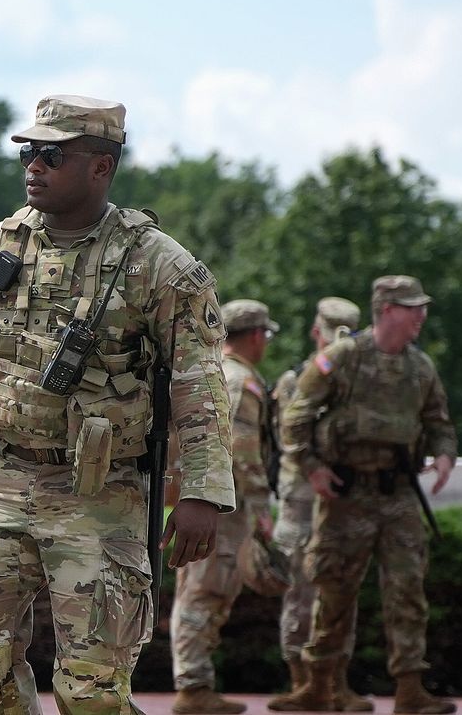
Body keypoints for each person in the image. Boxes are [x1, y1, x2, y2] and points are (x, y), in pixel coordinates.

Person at [0, 94, 236, 715]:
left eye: (51, 154)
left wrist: (202, 493)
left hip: (101, 492)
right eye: (28, 153)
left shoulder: (159, 265)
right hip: (0, 481)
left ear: (101, 166)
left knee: (92, 692)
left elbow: (201, 388)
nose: (32, 166)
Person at [273, 276, 456, 714]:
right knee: (334, 588)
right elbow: (295, 415)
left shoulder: (420, 367)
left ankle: (410, 690)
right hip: (346, 494)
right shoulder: (344, 357)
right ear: (388, 309)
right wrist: (312, 468)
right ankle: (319, 685)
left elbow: (439, 421)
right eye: (414, 307)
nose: (422, 316)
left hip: (398, 496)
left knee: (408, 590)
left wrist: (445, 454)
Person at [170, 299, 279, 713]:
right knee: (208, 590)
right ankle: (193, 687)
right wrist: (261, 507)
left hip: (206, 499)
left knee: (201, 588)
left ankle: (194, 683)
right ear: (256, 336)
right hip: (224, 503)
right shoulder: (240, 381)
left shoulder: (216, 372)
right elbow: (244, 450)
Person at [269, 297, 364, 712]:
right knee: (303, 588)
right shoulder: (296, 381)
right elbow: (288, 440)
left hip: (344, 497)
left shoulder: (361, 384)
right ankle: (303, 681)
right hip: (304, 496)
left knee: (341, 588)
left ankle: (335, 683)